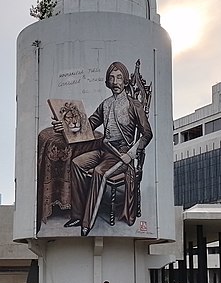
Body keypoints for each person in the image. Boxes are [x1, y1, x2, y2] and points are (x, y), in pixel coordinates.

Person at [63, 61, 153, 235]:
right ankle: (77, 214)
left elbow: (147, 134)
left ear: (125, 80)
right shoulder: (105, 104)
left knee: (98, 172)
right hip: (104, 150)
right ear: (108, 81)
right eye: (112, 78)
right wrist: (66, 125)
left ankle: (86, 223)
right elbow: (88, 125)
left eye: (119, 77)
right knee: (76, 163)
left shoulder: (135, 105)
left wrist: (131, 154)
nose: (115, 81)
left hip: (121, 154)